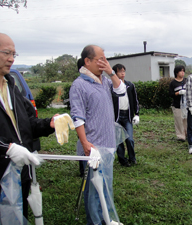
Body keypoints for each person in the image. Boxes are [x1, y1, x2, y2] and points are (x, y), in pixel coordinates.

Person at [0, 33, 57, 220]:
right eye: (6, 52)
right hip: (1, 171)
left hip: (18, 170)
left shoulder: (11, 86)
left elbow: (27, 124)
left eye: (14, 54)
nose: (11, 59)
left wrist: (49, 124)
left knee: (17, 214)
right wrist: (6, 147)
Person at [70, 45, 125, 225]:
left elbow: (121, 91)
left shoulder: (105, 80)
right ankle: (95, 221)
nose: (104, 63)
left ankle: (106, 219)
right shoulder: (79, 85)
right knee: (94, 189)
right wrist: (85, 142)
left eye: (105, 59)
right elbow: (77, 117)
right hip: (93, 146)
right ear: (87, 61)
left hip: (108, 143)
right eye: (100, 60)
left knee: (106, 186)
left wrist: (110, 72)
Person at [111, 64, 139, 167]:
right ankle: (122, 160)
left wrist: (136, 114)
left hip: (127, 116)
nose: (122, 73)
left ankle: (132, 158)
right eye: (120, 71)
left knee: (130, 139)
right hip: (116, 117)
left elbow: (135, 101)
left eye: (124, 71)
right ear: (115, 73)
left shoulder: (130, 85)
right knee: (118, 141)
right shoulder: (111, 87)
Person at [169, 65, 187, 141]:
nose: (183, 72)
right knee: (179, 121)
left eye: (183, 71)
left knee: (187, 120)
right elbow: (171, 94)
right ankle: (181, 136)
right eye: (181, 71)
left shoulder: (186, 80)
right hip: (177, 105)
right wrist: (178, 93)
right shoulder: (173, 83)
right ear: (177, 72)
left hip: (186, 104)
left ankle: (188, 135)